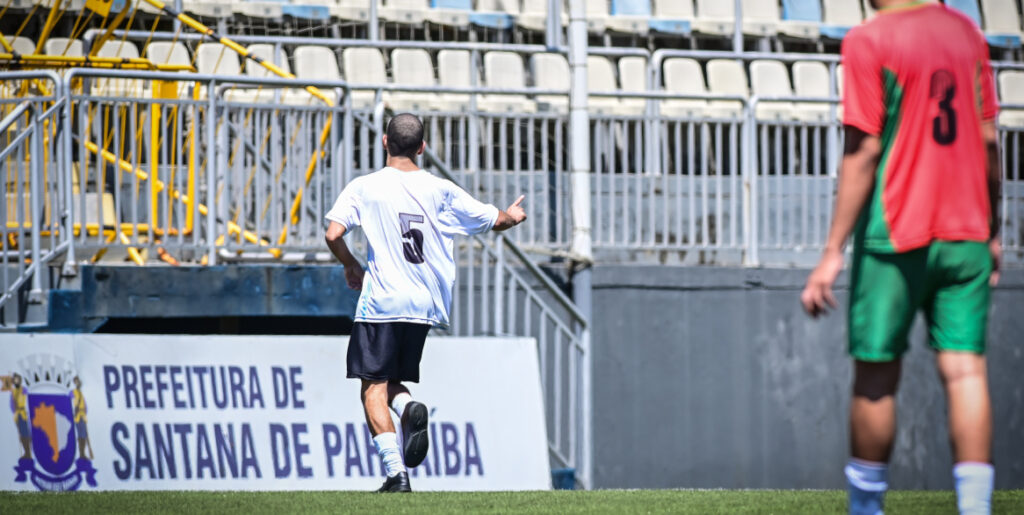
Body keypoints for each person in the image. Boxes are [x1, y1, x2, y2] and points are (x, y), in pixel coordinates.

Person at [801, 1, 1002, 514]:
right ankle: (975, 509)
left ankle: (866, 509)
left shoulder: (871, 39)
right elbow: (986, 139)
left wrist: (830, 253)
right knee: (966, 372)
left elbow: (864, 150)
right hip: (966, 233)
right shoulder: (968, 34)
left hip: (895, 234)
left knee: (875, 375)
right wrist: (992, 231)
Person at [324, 113, 527, 493]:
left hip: (383, 301)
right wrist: (513, 216)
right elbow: (493, 220)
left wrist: (351, 265)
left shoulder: (365, 187)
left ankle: (395, 474)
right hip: (423, 304)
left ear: (385, 142)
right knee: (392, 382)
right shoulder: (441, 190)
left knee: (371, 387)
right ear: (422, 147)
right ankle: (407, 408)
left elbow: (333, 232)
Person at [2, 373, 31, 460]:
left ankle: (29, 452)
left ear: (20, 380)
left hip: (23, 414)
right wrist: (14, 406)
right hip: (17, 415)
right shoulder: (13, 391)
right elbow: (11, 405)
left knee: (26, 433)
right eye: (14, 379)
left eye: (17, 379)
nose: (16, 381)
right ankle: (26, 452)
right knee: (21, 434)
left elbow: (27, 398)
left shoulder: (24, 389)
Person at [72, 376, 93, 460]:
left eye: (78, 381)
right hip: (77, 416)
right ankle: (81, 454)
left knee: (84, 435)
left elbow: (85, 406)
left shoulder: (81, 393)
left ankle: (83, 454)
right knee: (81, 435)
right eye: (76, 382)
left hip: (82, 416)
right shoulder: (74, 392)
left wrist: (84, 411)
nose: (78, 383)